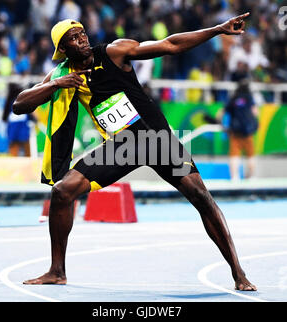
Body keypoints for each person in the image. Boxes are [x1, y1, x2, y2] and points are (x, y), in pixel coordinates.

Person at [13, 14, 257, 291]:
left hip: (156, 139)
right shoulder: (61, 75)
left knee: (201, 196)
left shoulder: (114, 51)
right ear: (63, 48)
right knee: (62, 191)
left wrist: (217, 29)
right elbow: (20, 105)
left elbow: (170, 45)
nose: (82, 39)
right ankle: (57, 271)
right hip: (123, 146)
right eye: (73, 38)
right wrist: (56, 84)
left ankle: (239, 272)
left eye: (82, 33)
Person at [223, 79, 259, 180]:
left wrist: (222, 124)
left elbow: (223, 112)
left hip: (235, 132)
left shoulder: (233, 98)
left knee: (234, 155)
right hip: (247, 131)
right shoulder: (249, 98)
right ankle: (251, 176)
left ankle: (235, 177)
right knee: (250, 154)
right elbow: (255, 112)